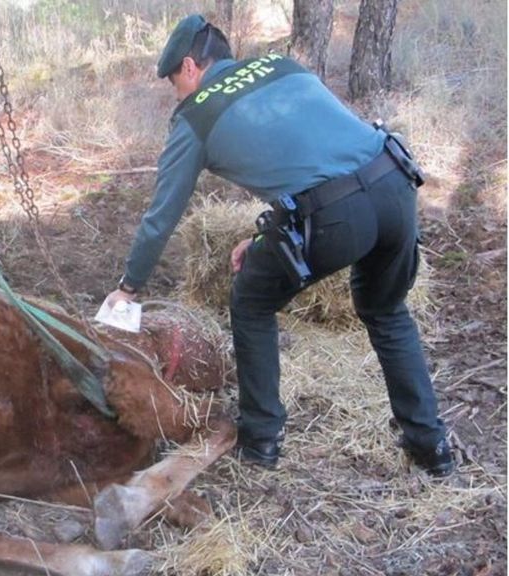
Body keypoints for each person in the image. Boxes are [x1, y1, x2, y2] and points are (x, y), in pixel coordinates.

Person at [103, 14, 454, 476]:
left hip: (335, 215)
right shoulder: (283, 66)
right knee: (387, 313)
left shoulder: (197, 113)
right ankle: (432, 448)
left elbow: (161, 215)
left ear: (189, 67)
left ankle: (261, 438)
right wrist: (267, 237)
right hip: (396, 183)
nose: (177, 94)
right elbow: (319, 158)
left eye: (174, 83)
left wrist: (128, 288)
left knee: (249, 301)